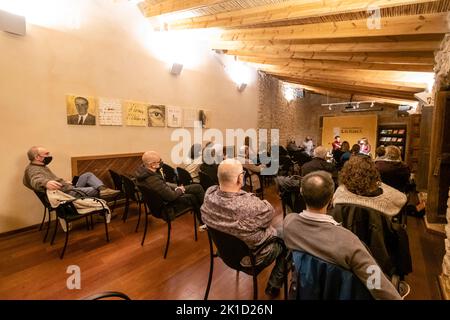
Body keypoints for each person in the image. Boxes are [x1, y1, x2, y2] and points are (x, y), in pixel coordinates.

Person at [283, 171, 402, 300]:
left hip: (303, 291)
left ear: (301, 192)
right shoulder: (349, 241)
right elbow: (376, 283)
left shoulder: (289, 224)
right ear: (331, 199)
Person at [201, 159, 287, 297]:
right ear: (240, 178)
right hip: (253, 259)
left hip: (226, 254)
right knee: (288, 236)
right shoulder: (252, 205)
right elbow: (268, 216)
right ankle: (274, 285)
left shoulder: (209, 195)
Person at [333, 156, 411, 277]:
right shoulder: (387, 203)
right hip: (376, 259)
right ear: (374, 174)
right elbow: (401, 198)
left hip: (344, 254)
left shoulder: (339, 195)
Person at [135, 151, 205, 222]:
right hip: (168, 208)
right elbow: (171, 196)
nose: (162, 162)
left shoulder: (143, 172)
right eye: (159, 161)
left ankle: (205, 216)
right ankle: (205, 218)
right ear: (152, 165)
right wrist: (180, 190)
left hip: (166, 196)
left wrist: (177, 187)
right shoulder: (152, 179)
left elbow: (163, 185)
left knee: (197, 187)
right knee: (194, 197)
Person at [23, 146, 119, 198]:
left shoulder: (41, 166)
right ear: (37, 157)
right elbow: (35, 180)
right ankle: (101, 210)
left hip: (67, 187)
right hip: (67, 193)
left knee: (88, 175)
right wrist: (45, 183)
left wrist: (64, 182)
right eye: (46, 154)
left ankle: (103, 189)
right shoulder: (33, 169)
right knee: (94, 190)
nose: (49, 156)